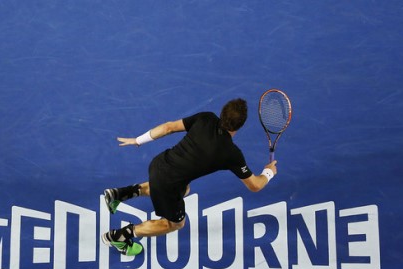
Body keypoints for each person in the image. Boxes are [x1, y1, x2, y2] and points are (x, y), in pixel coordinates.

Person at [101, 98, 277, 256]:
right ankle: (118, 237)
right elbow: (255, 185)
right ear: (240, 126)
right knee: (175, 224)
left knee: (184, 190)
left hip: (159, 163)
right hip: (167, 182)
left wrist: (139, 140)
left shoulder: (206, 118)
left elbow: (168, 127)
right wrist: (268, 172)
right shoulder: (232, 154)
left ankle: (118, 194)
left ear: (222, 113)